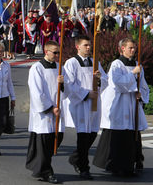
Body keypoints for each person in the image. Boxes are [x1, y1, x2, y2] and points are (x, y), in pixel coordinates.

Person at [93, 38, 149, 176]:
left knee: (130, 135)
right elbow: (116, 83)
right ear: (122, 49)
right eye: (130, 47)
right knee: (118, 135)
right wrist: (132, 74)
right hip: (119, 103)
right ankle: (115, 165)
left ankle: (129, 165)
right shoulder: (116, 65)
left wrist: (140, 92)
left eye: (134, 47)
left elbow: (143, 84)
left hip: (131, 103)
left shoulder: (137, 64)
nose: (133, 50)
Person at [63, 36, 108, 179]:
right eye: (86, 45)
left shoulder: (94, 62)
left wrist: (100, 78)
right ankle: (84, 167)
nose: (89, 47)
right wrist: (86, 94)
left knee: (93, 133)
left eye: (90, 45)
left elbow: (106, 80)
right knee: (83, 135)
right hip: (81, 103)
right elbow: (69, 84)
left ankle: (76, 157)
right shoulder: (71, 63)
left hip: (95, 102)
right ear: (78, 47)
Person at [26, 40, 67, 184]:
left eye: (58, 52)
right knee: (44, 143)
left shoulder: (59, 67)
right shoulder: (36, 68)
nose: (57, 55)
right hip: (44, 114)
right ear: (46, 51)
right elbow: (36, 92)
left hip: (57, 112)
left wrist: (63, 84)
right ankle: (46, 172)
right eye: (54, 52)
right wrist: (50, 108)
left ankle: (41, 168)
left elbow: (66, 90)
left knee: (56, 139)